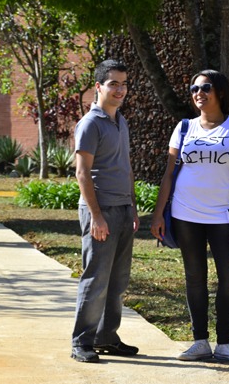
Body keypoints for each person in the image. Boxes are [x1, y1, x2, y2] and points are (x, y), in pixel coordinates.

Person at [150, 70, 229, 363]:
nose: (199, 92)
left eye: (205, 87)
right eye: (194, 87)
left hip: (225, 215)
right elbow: (169, 174)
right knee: (194, 278)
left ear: (220, 91)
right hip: (185, 214)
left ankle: (225, 344)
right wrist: (158, 213)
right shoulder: (184, 128)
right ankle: (199, 342)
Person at [71, 59, 140, 363]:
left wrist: (133, 208)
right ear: (98, 86)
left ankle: (106, 337)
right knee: (96, 279)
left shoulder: (120, 120)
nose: (120, 89)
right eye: (113, 83)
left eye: (124, 83)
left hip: (123, 210)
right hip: (101, 212)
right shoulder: (90, 123)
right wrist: (96, 216)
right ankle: (81, 341)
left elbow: (125, 168)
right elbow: (82, 173)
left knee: (117, 281)